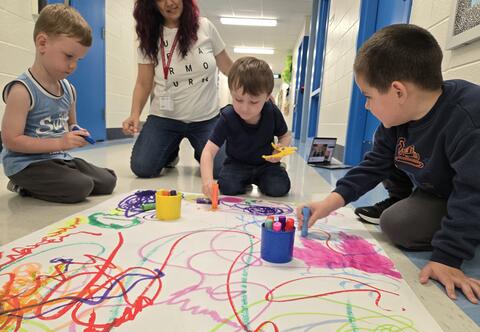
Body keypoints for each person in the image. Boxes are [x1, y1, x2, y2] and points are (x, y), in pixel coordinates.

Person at [297, 24, 480, 303]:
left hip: (472, 189)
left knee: (409, 222)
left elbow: (472, 192)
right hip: (439, 189)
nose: (366, 106)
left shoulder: (468, 118)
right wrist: (327, 203)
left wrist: (447, 257)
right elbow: (373, 167)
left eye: (368, 96)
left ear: (398, 91)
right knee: (396, 221)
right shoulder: (396, 121)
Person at [0, 4, 116, 203]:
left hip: (58, 159)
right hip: (27, 165)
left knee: (108, 180)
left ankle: (61, 177)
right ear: (42, 43)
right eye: (69, 56)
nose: (73, 66)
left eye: (78, 59)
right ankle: (22, 184)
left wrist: (76, 131)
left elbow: (72, 124)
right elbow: (11, 141)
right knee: (81, 187)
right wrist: (60, 143)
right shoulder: (22, 90)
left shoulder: (69, 90)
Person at [122, 0, 232, 178]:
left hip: (206, 119)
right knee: (142, 168)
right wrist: (134, 114)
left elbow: (228, 67)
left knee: (223, 170)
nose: (169, 3)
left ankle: (201, 151)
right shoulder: (149, 36)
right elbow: (143, 82)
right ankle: (170, 152)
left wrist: (255, 87)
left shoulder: (205, 26)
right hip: (165, 118)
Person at [201, 56, 291, 198]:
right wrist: (207, 180)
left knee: (279, 188)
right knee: (227, 187)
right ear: (231, 92)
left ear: (267, 96)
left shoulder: (272, 112)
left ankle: (271, 175)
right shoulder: (227, 116)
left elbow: (285, 136)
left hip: (266, 164)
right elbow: (208, 151)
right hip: (237, 164)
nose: (244, 108)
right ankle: (246, 182)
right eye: (238, 99)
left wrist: (280, 150)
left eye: (254, 102)